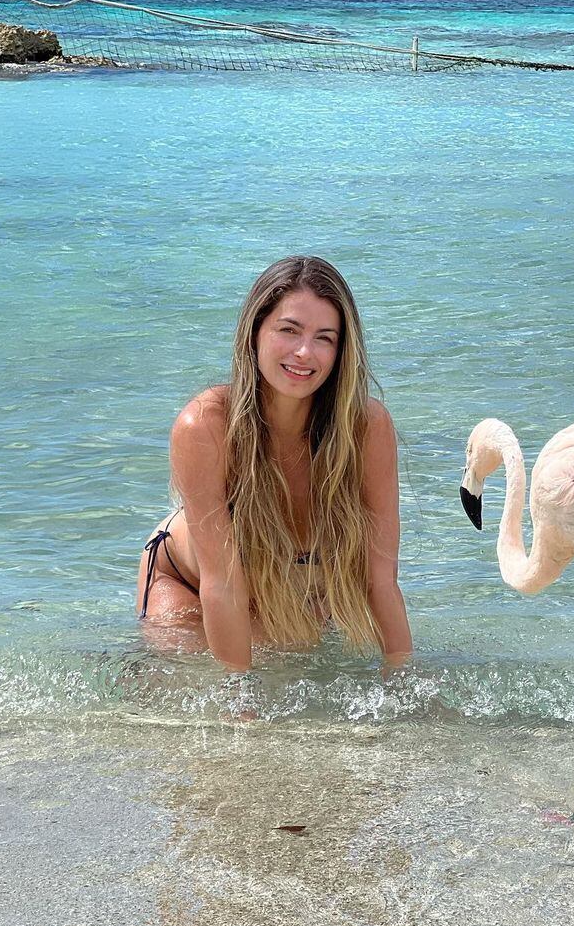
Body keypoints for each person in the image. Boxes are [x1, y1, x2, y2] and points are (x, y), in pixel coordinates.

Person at [136, 256, 411, 673]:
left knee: (301, 657)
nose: (304, 352)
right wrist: (238, 705)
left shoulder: (366, 427)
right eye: (289, 330)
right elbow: (221, 584)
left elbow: (381, 580)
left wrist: (404, 677)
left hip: (294, 590)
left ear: (341, 352)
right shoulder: (206, 424)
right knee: (188, 682)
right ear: (255, 332)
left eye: (324, 338)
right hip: (189, 586)